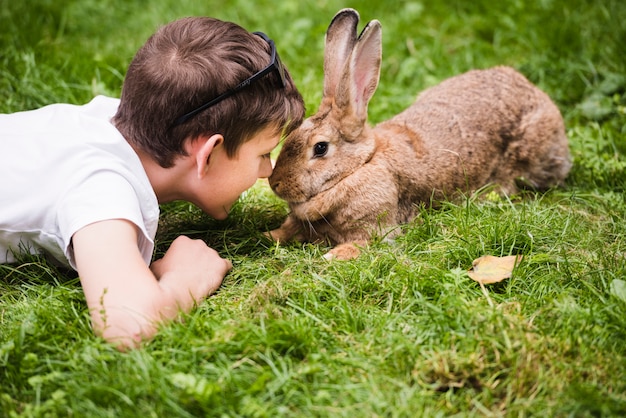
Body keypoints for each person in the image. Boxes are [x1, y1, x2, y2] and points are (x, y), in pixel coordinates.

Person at [0, 16, 305, 349]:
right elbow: (128, 326)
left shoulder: (108, 121)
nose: (267, 171)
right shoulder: (101, 187)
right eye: (262, 154)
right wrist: (187, 278)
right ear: (207, 153)